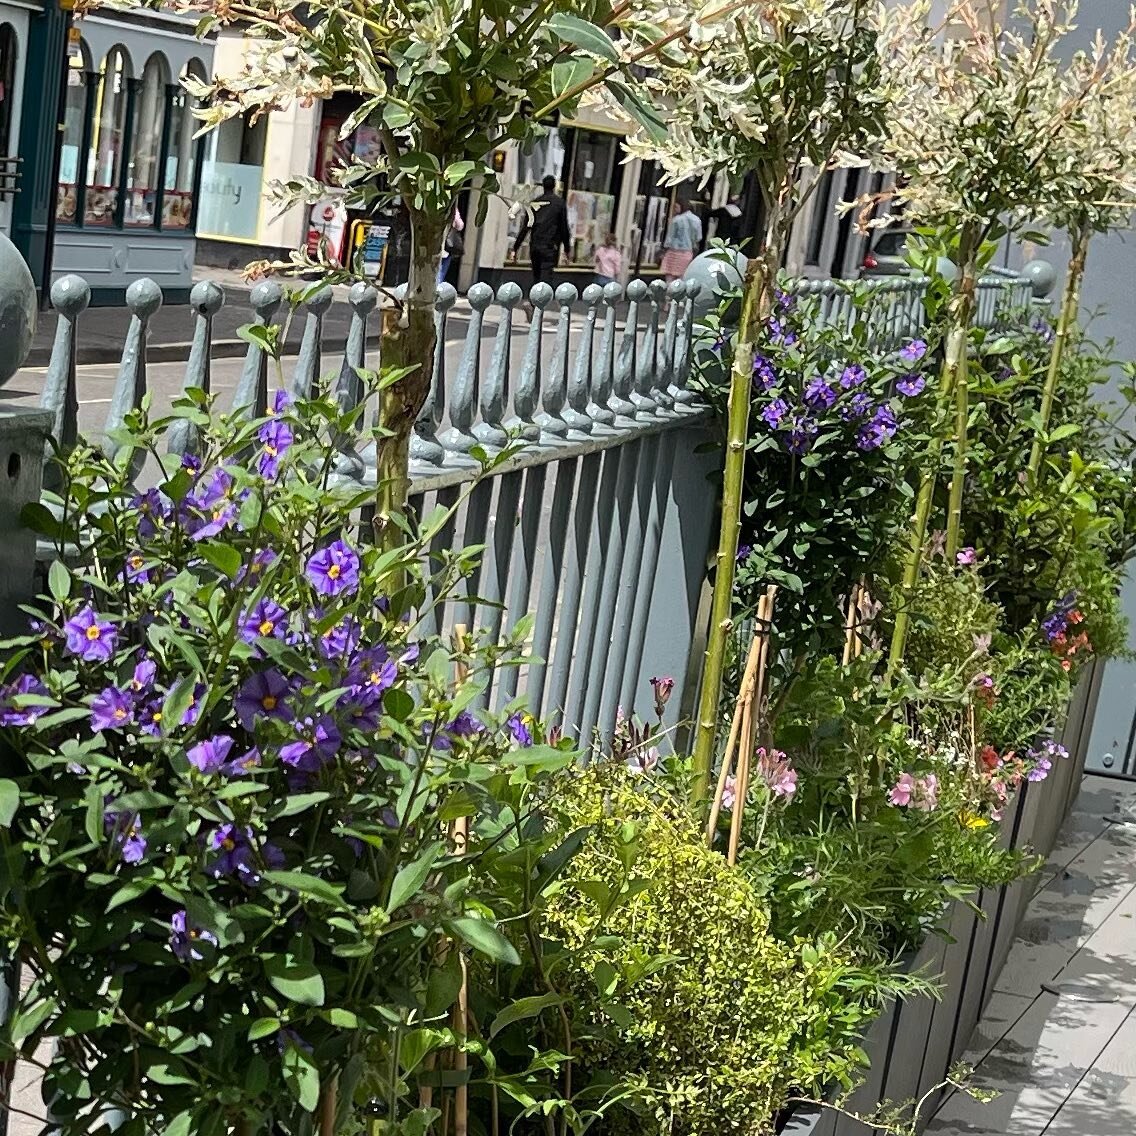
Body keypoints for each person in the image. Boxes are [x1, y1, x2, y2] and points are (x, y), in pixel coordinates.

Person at [509, 175, 572, 288]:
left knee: (536, 275)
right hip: (549, 246)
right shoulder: (559, 203)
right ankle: (540, 302)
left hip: (535, 245)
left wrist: (515, 248)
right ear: (554, 186)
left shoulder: (535, 203)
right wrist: (567, 249)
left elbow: (526, 227)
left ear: (543, 186)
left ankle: (534, 301)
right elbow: (564, 227)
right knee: (546, 276)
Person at [659, 200, 703, 284]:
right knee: (682, 277)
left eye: (676, 207)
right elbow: (698, 237)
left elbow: (669, 238)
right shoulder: (697, 220)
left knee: (670, 277)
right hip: (687, 252)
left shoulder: (676, 220)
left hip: (673, 251)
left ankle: (669, 295)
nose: (674, 210)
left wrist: (663, 250)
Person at [438, 205, 464, 285]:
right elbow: (460, 226)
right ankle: (438, 289)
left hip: (435, 245)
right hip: (446, 247)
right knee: (441, 271)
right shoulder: (452, 208)